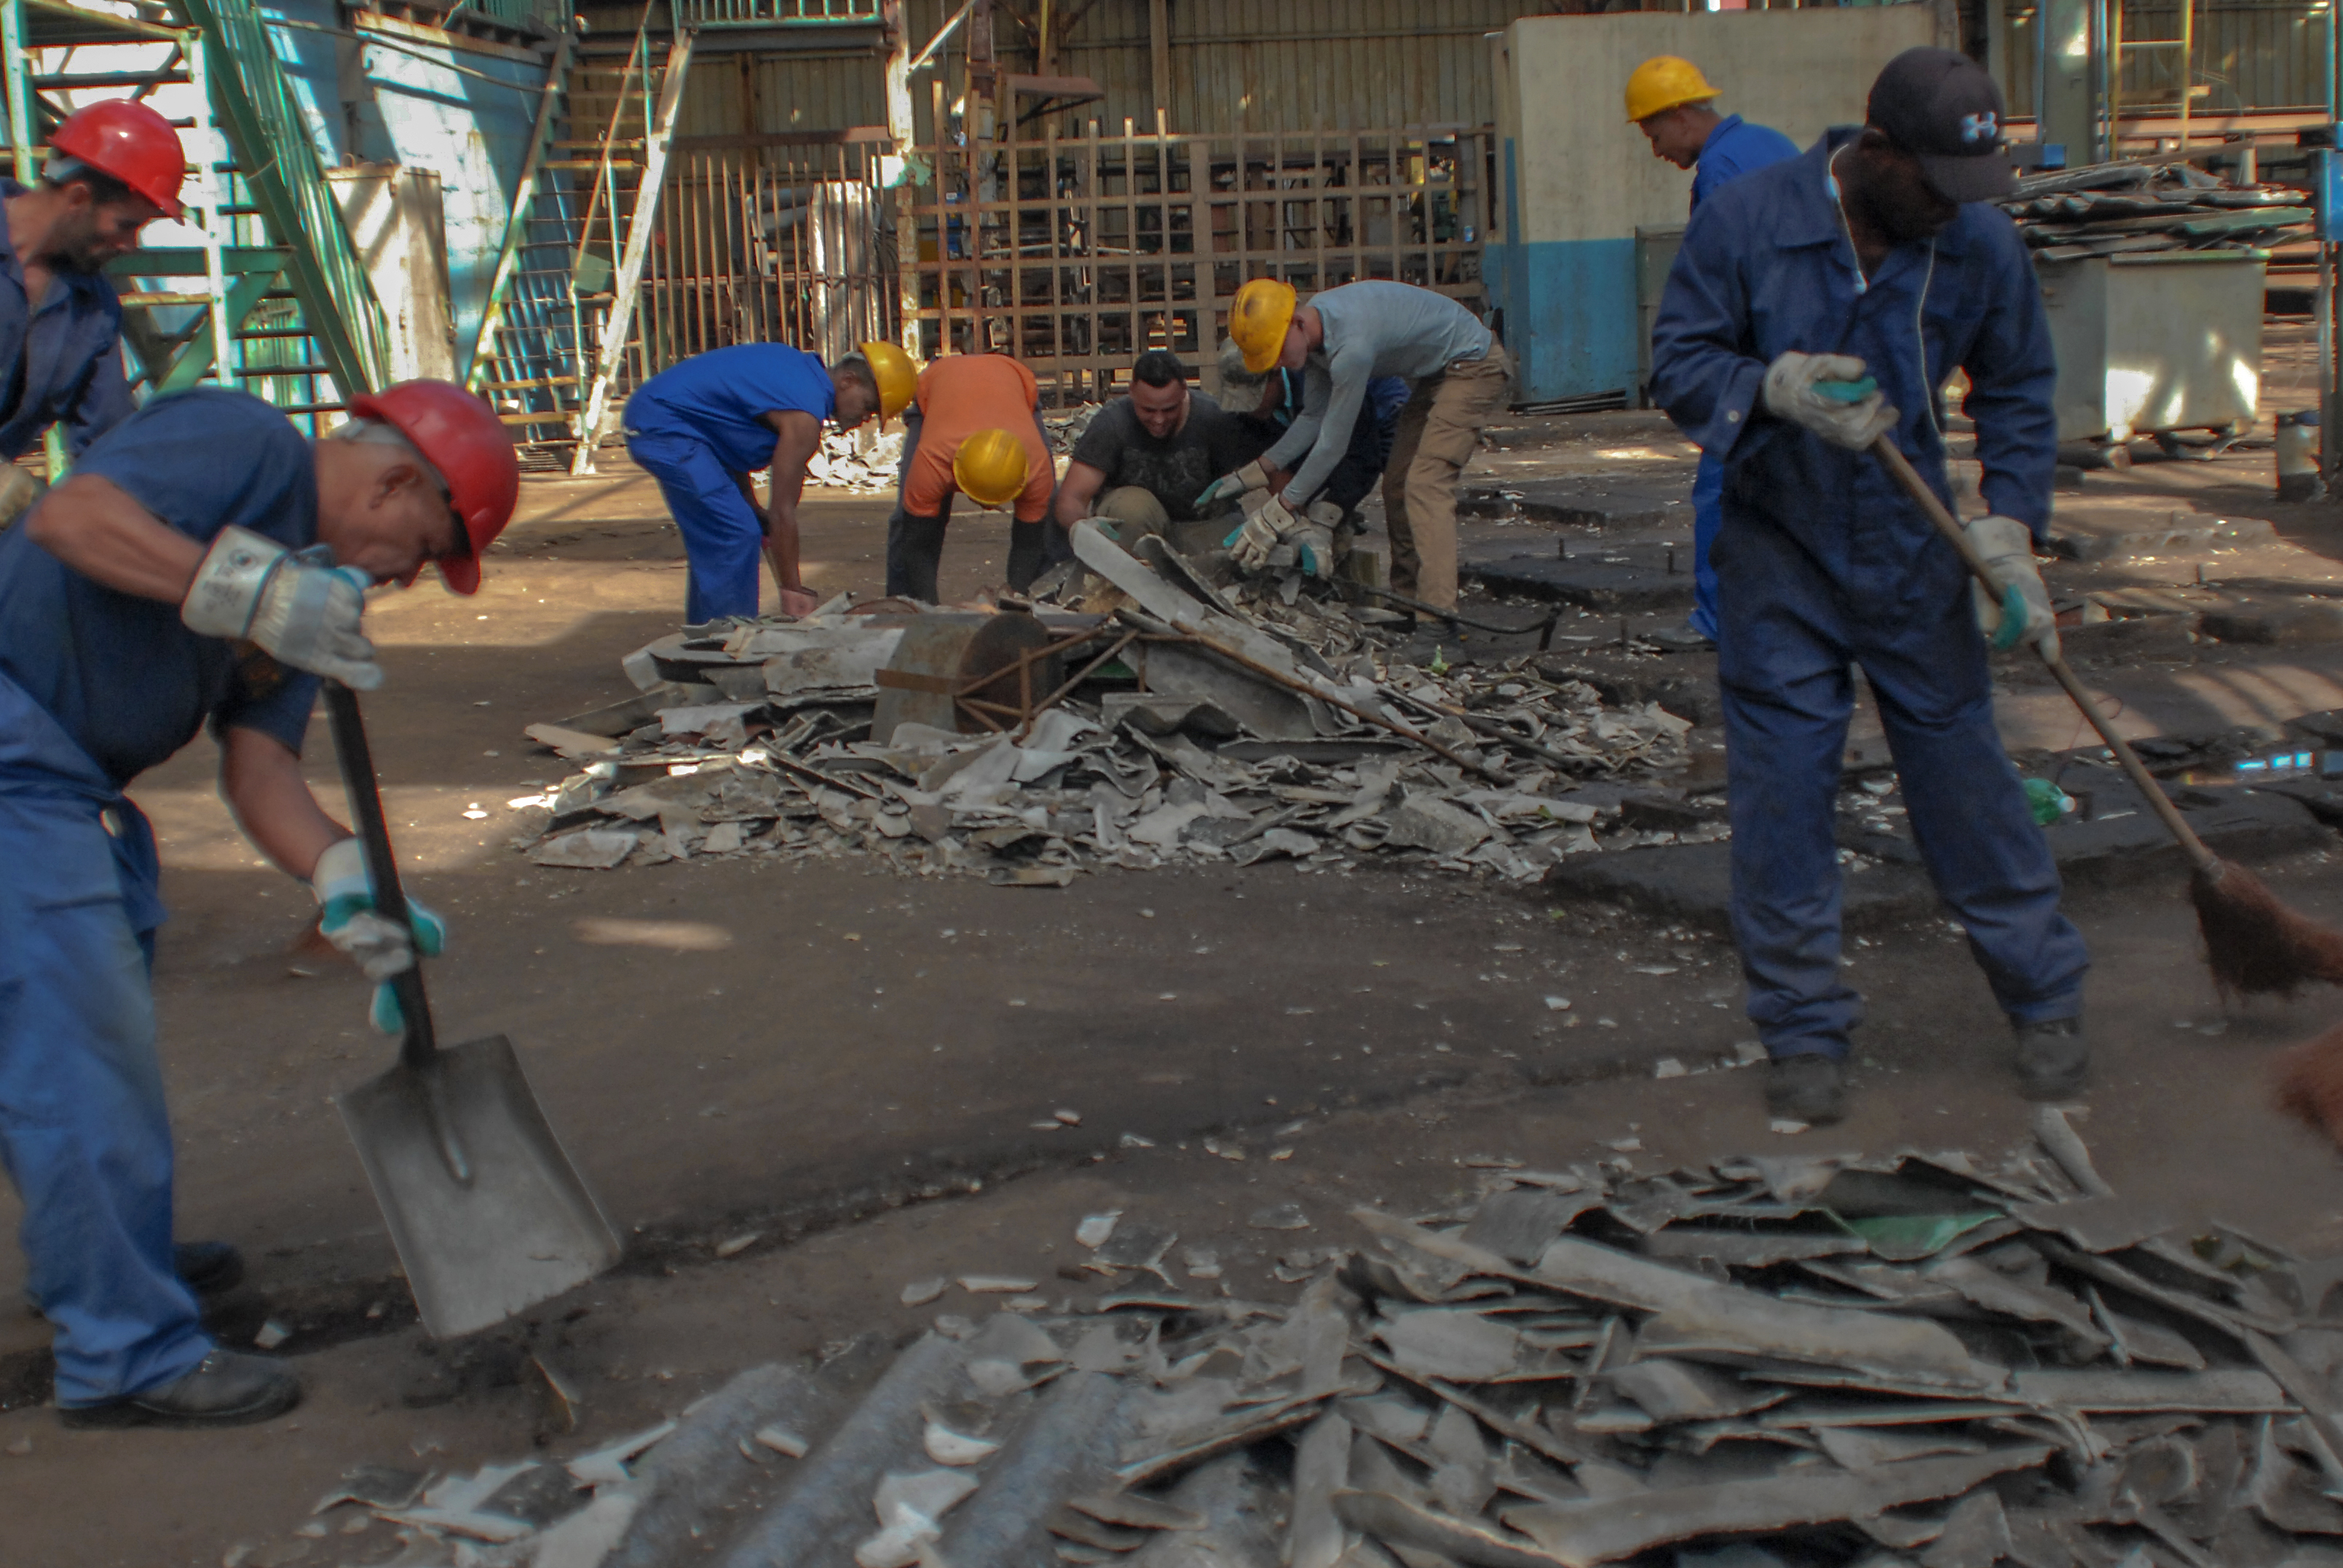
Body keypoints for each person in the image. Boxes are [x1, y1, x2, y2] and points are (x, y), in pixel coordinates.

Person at [0, 379, 519, 1427]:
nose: (409, 577)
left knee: (70, 1048)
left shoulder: (308, 595)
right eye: (426, 549)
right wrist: (256, 593)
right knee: (81, 1060)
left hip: (67, 789)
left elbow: (262, 770)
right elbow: (72, 517)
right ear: (395, 482)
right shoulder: (245, 441)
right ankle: (126, 1355)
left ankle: (101, 1255)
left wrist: (345, 878)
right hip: (19, 771)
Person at [1649, 47, 2085, 1125]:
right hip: (1778, 551)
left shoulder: (1975, 239)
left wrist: (2008, 529)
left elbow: (2016, 386)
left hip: (1911, 547)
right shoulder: (1747, 221)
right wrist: (1772, 386)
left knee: (1965, 782)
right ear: (1876, 150)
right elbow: (1677, 364)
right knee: (1783, 798)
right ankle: (1801, 1027)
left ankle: (2042, 996)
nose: (1951, 206)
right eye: (1936, 183)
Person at [1624, 57, 1800, 645]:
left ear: (1681, 116)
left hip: (1759, 357)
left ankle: (1717, 620)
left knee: (1720, 486)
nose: (1656, 151)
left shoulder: (1720, 170)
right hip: (1804, 348)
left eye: (1654, 135)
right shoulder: (1770, 144)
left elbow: (1722, 277)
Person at [1205, 279, 1509, 615]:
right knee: (1398, 485)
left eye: (1276, 352)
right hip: (1437, 372)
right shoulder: (1317, 335)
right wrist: (1260, 469)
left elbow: (1333, 444)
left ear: (1296, 322)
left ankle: (1438, 619)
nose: (1276, 365)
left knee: (1426, 486)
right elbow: (1313, 417)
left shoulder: (1351, 349)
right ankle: (1408, 602)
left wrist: (1279, 511)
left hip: (1474, 364)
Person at [623, 341, 910, 625]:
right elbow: (783, 512)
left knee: (726, 535)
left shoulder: (798, 374)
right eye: (869, 406)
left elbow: (725, 439)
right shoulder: (803, 414)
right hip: (665, 428)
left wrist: (751, 506)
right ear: (849, 380)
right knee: (734, 533)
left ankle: (706, 634)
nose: (865, 418)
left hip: (665, 420)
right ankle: (724, 641)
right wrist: (793, 590)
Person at [0, 98, 188, 523]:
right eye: (126, 225)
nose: (130, 246)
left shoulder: (94, 310)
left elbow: (108, 445)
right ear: (78, 198)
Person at [887, 352, 1057, 601]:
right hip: (939, 381)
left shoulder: (1035, 467)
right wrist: (931, 611)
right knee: (908, 520)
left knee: (1049, 518)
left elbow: (1029, 543)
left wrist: (1015, 598)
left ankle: (1043, 603)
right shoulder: (932, 460)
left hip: (1012, 379)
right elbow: (916, 544)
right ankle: (903, 606)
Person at [1052, 349, 1257, 550]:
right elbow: (1071, 498)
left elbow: (1263, 470)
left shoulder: (1215, 418)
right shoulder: (1112, 423)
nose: (1159, 420)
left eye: (1170, 409)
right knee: (1131, 509)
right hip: (1134, 532)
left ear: (1184, 390)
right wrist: (1081, 527)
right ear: (1131, 391)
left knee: (1238, 546)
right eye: (1148, 410)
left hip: (1200, 528)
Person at [1217, 337, 1408, 541]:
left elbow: (1360, 458)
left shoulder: (1320, 379)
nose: (1249, 408)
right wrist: (1297, 524)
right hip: (1320, 422)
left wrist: (1329, 514)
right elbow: (1277, 469)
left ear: (1276, 374)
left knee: (1401, 494)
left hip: (1383, 411)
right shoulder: (1251, 414)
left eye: (1255, 396)